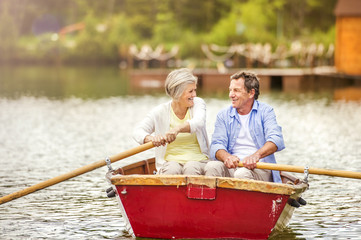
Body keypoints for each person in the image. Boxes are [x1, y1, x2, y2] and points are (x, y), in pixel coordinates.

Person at [205, 71, 284, 183]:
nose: (231, 95)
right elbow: (216, 145)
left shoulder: (266, 111)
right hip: (233, 167)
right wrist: (227, 157)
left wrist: (256, 156)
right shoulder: (223, 115)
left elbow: (276, 140)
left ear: (251, 93)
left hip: (259, 168)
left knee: (242, 173)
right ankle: (214, 200)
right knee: (211, 166)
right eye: (230, 90)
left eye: (236, 90)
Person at [133, 68, 210, 175]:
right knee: (171, 170)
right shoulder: (160, 111)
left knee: (191, 167)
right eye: (190, 91)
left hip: (199, 161)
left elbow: (198, 122)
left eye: (195, 90)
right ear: (177, 93)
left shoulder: (198, 103)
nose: (194, 95)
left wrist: (177, 129)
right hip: (170, 163)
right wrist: (151, 138)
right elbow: (138, 131)